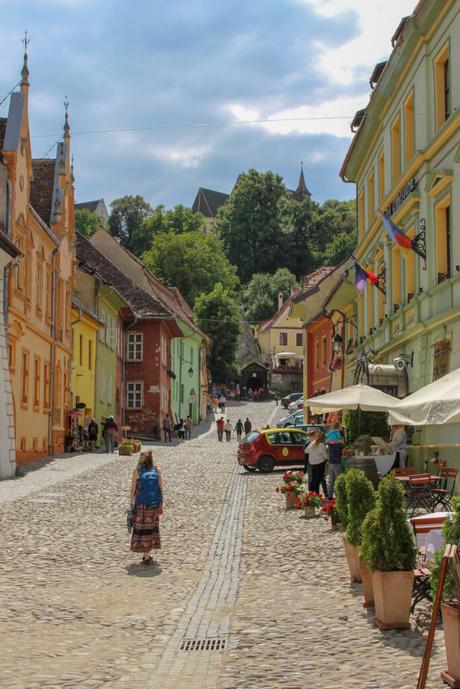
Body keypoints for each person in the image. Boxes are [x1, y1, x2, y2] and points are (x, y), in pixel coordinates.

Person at [130, 450, 163, 565]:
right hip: (154, 504)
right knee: (151, 529)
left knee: (143, 529)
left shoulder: (137, 472)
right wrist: (161, 504)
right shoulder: (157, 471)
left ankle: (146, 555)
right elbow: (160, 488)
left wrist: (131, 504)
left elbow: (133, 490)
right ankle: (147, 556)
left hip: (141, 505)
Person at [326, 421, 345, 499]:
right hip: (337, 463)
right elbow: (343, 452)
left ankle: (330, 496)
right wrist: (342, 442)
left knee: (331, 481)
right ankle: (338, 497)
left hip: (330, 463)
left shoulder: (329, 443)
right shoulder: (339, 444)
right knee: (338, 481)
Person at [308, 430, 328, 495]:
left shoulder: (313, 443)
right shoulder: (321, 445)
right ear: (323, 438)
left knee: (313, 480)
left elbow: (306, 450)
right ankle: (316, 495)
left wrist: (313, 454)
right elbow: (326, 456)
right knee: (317, 481)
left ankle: (311, 494)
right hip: (319, 464)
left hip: (312, 464)